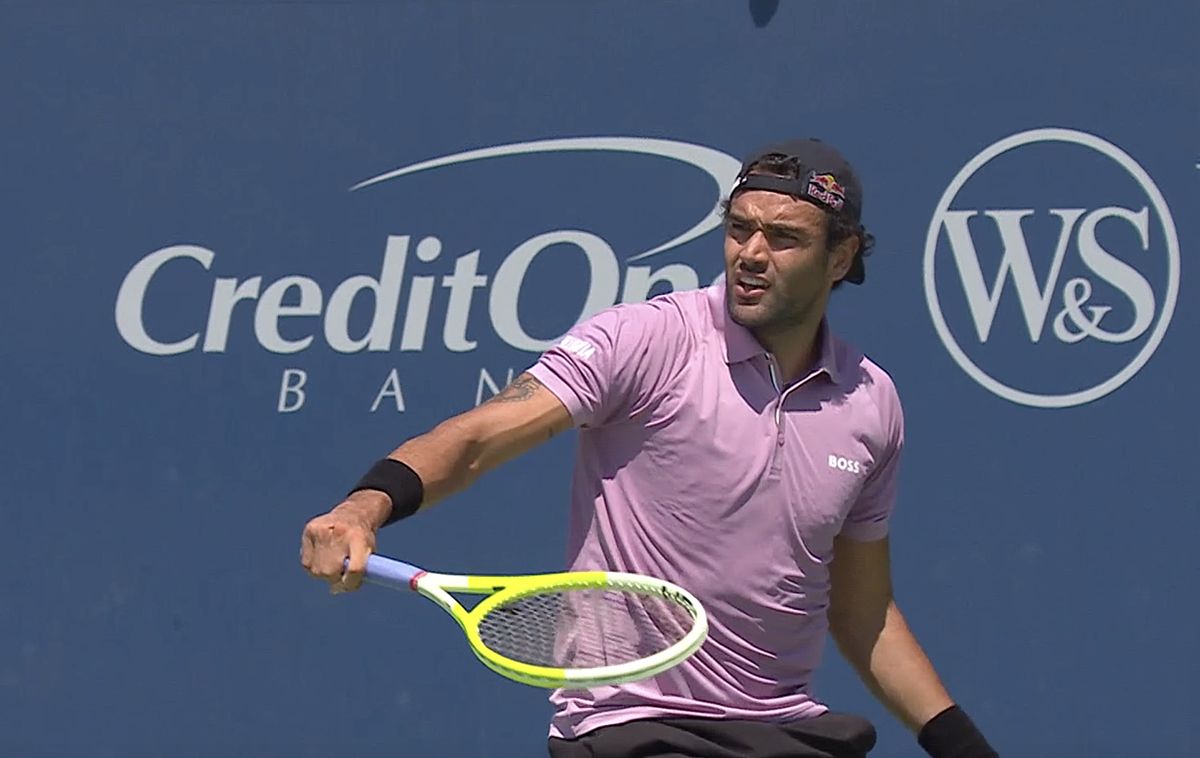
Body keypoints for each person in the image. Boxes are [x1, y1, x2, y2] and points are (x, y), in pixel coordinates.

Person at [300, 138, 999, 758]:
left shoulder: (869, 402)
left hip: (783, 728)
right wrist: (365, 509)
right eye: (739, 230)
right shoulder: (646, 340)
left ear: (841, 256)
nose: (751, 254)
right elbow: (478, 438)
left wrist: (959, 742)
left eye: (783, 238)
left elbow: (861, 609)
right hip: (635, 725)